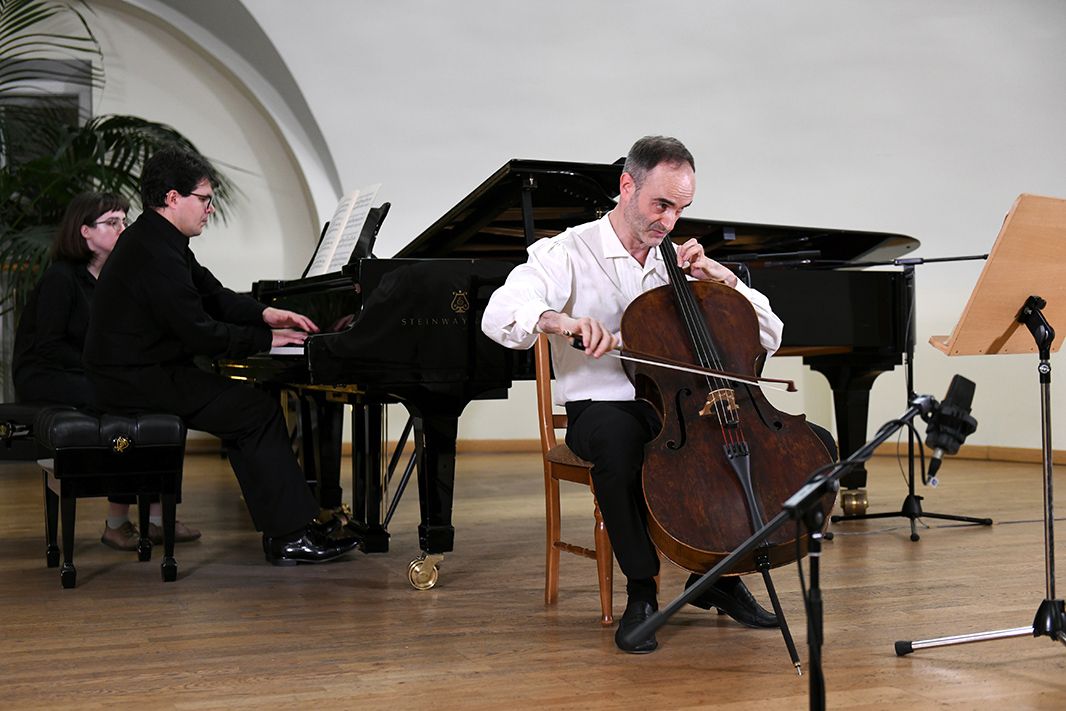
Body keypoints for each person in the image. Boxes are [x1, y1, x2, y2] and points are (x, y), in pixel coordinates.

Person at [482, 136, 836, 654]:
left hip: (682, 404)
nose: (670, 222)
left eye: (681, 209)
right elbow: (500, 312)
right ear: (627, 186)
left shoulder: (680, 261)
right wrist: (561, 321)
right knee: (619, 443)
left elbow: (770, 334)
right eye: (661, 205)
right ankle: (642, 591)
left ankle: (717, 575)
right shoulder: (568, 251)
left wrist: (723, 279)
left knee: (804, 443)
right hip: (602, 406)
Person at [83, 146, 358, 566]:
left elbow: (214, 295)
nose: (210, 208)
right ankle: (289, 535)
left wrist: (265, 313)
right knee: (254, 412)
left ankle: (289, 526)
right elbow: (198, 332)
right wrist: (268, 340)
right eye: (204, 199)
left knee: (250, 410)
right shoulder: (153, 251)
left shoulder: (157, 239)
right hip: (133, 380)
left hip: (142, 372)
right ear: (173, 198)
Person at [12, 192, 201, 551]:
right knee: (124, 398)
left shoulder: (116, 278)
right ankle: (117, 523)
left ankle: (158, 518)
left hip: (89, 371)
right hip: (45, 374)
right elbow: (48, 347)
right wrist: (105, 367)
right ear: (84, 231)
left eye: (124, 221)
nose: (123, 229)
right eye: (113, 222)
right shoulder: (61, 278)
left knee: (159, 398)